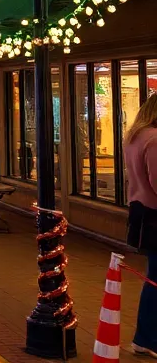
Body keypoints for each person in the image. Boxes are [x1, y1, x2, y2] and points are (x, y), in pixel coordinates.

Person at [123, 93, 157, 357]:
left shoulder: (134, 137)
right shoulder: (154, 139)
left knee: (153, 276)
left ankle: (145, 337)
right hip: (155, 214)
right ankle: (146, 338)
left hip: (140, 213)